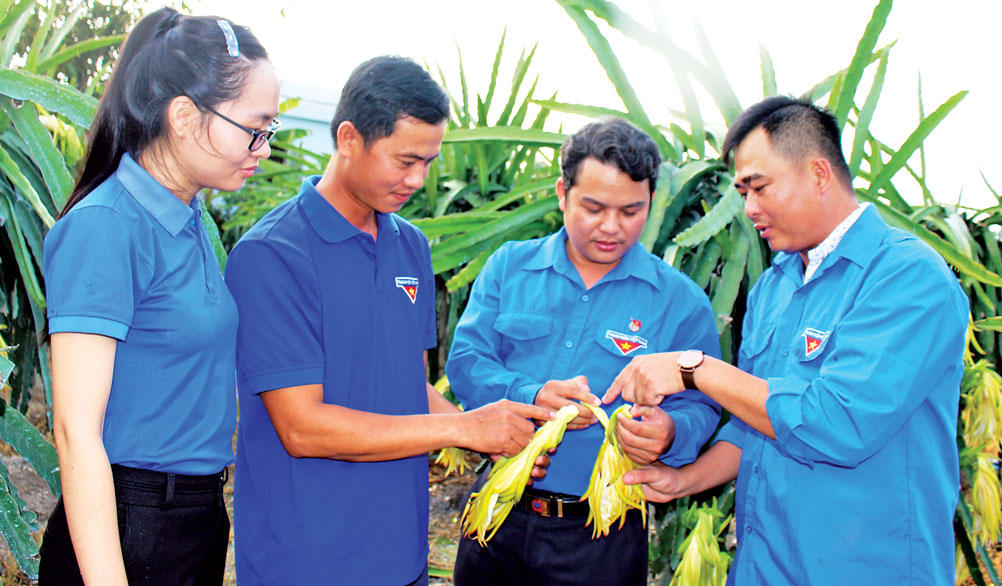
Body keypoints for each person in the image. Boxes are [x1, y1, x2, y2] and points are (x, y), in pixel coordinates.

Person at [605, 96, 970, 585]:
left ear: (819, 174)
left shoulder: (906, 278)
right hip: (766, 566)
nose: (749, 208)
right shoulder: (775, 285)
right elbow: (757, 420)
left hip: (865, 570)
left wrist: (696, 369)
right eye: (742, 191)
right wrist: (684, 479)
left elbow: (837, 422)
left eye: (760, 187)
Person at [225, 55, 551, 586]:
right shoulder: (273, 255)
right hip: (308, 560)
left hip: (401, 554)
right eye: (404, 161)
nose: (418, 179)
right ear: (349, 138)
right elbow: (301, 427)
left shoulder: (410, 246)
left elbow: (405, 384)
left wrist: (488, 432)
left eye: (428, 161)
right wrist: (462, 426)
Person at [37, 8, 279, 585]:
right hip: (126, 525)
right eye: (255, 128)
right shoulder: (108, 227)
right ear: (183, 116)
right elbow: (75, 432)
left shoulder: (192, 219)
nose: (263, 148)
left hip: (191, 518)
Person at [446, 118, 722, 585]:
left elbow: (705, 403)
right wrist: (530, 394)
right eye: (593, 208)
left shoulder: (680, 301)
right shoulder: (511, 267)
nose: (611, 227)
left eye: (631, 211)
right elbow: (467, 361)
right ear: (562, 194)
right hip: (498, 512)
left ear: (651, 202)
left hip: (603, 529)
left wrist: (671, 431)